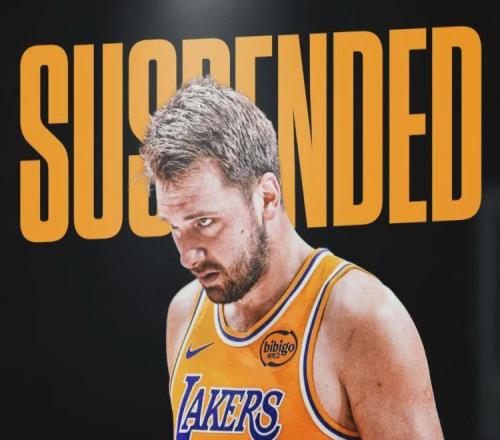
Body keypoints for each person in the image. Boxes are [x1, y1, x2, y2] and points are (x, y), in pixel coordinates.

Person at [139, 77, 444, 439]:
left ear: (267, 197)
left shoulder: (362, 317)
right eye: (174, 226)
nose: (187, 255)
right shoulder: (186, 313)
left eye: (205, 222)